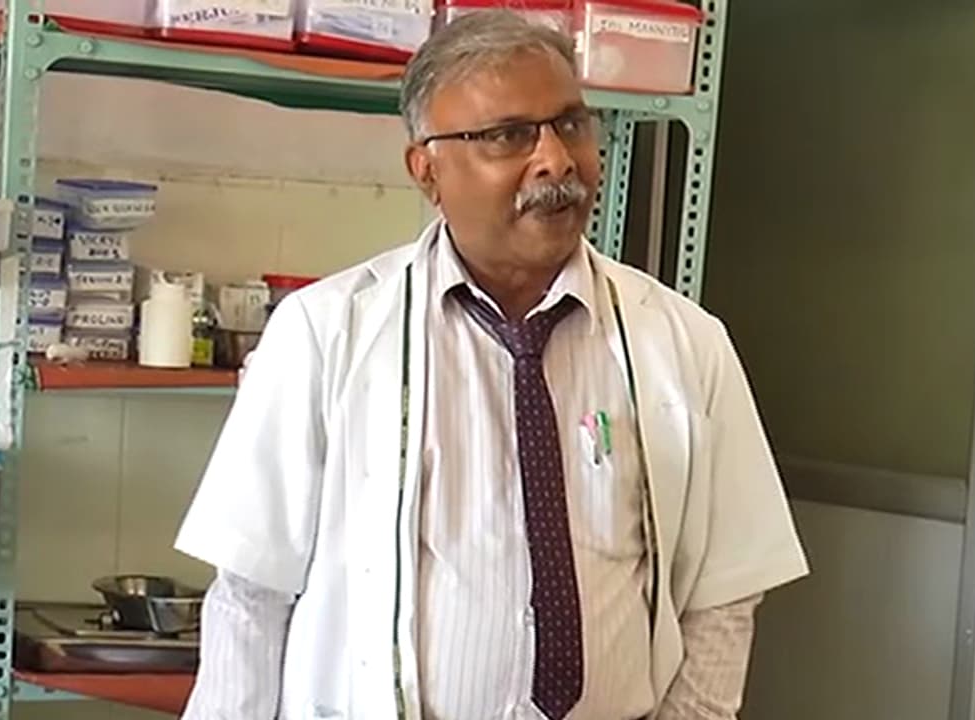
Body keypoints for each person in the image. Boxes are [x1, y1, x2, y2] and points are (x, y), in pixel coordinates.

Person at [174, 10, 808, 720]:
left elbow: (724, 597)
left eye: (570, 124)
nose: (556, 161)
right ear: (427, 170)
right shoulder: (325, 334)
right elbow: (251, 599)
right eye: (509, 135)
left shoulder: (684, 342)